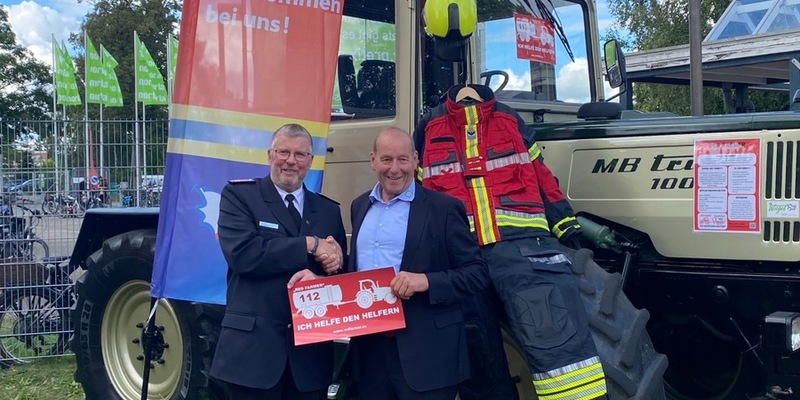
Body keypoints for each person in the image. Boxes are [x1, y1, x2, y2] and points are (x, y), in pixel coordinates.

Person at [414, 83, 608, 399]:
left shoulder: (509, 118)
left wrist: (565, 226)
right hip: (461, 259)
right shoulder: (429, 127)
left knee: (561, 352)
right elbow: (417, 194)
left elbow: (540, 175)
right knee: (477, 362)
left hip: (523, 251)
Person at [346, 127, 490, 400]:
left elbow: (477, 273)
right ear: (373, 160)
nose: (395, 169)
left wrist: (425, 281)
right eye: (387, 159)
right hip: (369, 354)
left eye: (403, 159)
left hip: (428, 355)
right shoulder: (359, 206)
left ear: (415, 159)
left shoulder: (444, 208)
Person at [211, 123, 347, 400]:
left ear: (310, 161)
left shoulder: (328, 210)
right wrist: (309, 244)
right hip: (252, 358)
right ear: (270, 155)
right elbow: (246, 256)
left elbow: (339, 273)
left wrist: (323, 279)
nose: (290, 161)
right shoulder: (239, 196)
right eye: (283, 152)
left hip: (309, 361)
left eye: (299, 155)